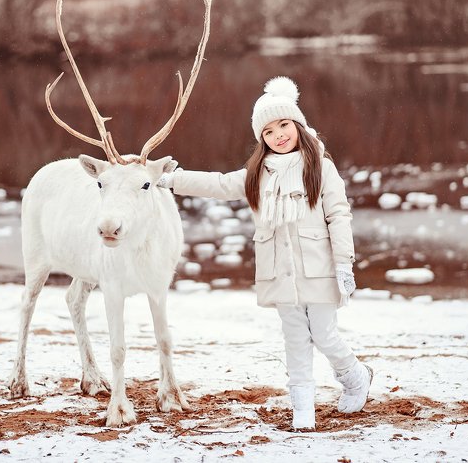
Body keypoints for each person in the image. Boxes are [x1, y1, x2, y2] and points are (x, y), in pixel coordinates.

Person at [158, 76, 372, 430]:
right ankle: (303, 409)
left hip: (318, 268)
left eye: (284, 125)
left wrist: (343, 264)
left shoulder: (319, 165)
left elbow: (338, 215)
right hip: (279, 272)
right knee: (295, 338)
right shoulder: (258, 173)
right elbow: (218, 184)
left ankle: (355, 376)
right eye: (269, 131)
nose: (278, 135)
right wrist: (173, 179)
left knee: (323, 333)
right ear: (262, 139)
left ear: (298, 125)